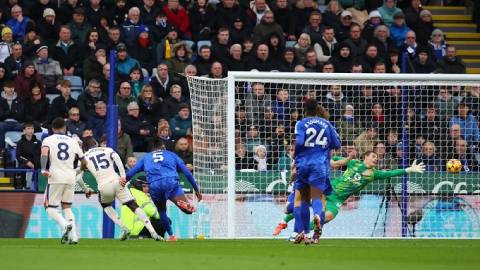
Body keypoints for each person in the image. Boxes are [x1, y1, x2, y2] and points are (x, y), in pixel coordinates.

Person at [273, 151, 426, 236]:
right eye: (373, 156)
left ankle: (301, 231)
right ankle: (283, 222)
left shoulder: (374, 174)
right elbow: (336, 160)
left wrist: (408, 169)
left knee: (328, 216)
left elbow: (392, 173)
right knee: (300, 204)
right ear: (366, 157)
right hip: (327, 191)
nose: (376, 158)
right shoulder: (353, 163)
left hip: (337, 200)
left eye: (377, 158)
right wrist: (331, 162)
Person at [81, 136, 163, 241]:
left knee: (105, 205)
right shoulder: (107, 149)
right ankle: (153, 232)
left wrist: (85, 189)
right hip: (117, 181)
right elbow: (116, 157)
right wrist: (123, 176)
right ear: (95, 143)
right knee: (133, 205)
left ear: (85, 147)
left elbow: (78, 176)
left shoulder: (84, 157)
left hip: (104, 185)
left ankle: (123, 228)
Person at [126, 137, 203, 241]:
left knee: (162, 211)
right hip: (171, 181)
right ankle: (181, 203)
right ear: (163, 146)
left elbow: (132, 172)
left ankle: (171, 236)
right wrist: (196, 189)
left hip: (154, 185)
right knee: (188, 211)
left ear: (152, 148)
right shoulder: (171, 154)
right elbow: (187, 172)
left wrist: (124, 180)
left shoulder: (146, 157)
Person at [292, 99, 341, 244]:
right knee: (317, 197)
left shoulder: (300, 123)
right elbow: (337, 144)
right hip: (319, 165)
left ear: (305, 109)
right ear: (318, 108)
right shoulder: (327, 124)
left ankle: (306, 234)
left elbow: (300, 142)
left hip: (303, 165)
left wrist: (296, 155)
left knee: (303, 199)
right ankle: (318, 216)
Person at [40, 117, 86, 244]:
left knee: (49, 207)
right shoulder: (73, 141)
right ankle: (74, 236)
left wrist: (43, 169)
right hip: (70, 177)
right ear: (65, 128)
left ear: (52, 128)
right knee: (67, 207)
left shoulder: (48, 139)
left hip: (55, 176)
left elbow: (44, 153)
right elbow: (84, 161)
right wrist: (78, 170)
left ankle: (65, 225)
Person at [15, 122, 41, 189]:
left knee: (40, 169)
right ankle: (22, 187)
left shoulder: (38, 142)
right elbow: (18, 156)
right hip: (25, 164)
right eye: (28, 128)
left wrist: (35, 165)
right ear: (24, 130)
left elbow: (39, 154)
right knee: (21, 169)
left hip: (36, 164)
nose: (31, 130)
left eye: (32, 128)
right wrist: (27, 162)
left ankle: (36, 186)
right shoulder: (20, 142)